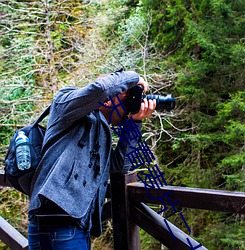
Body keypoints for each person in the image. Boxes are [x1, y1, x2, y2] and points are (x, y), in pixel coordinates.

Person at [28, 70, 156, 250]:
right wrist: (134, 78)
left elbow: (119, 166)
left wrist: (134, 123)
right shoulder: (66, 101)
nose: (129, 107)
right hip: (58, 223)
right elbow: (99, 89)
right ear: (113, 95)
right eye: (127, 102)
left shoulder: (101, 130)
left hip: (74, 226)